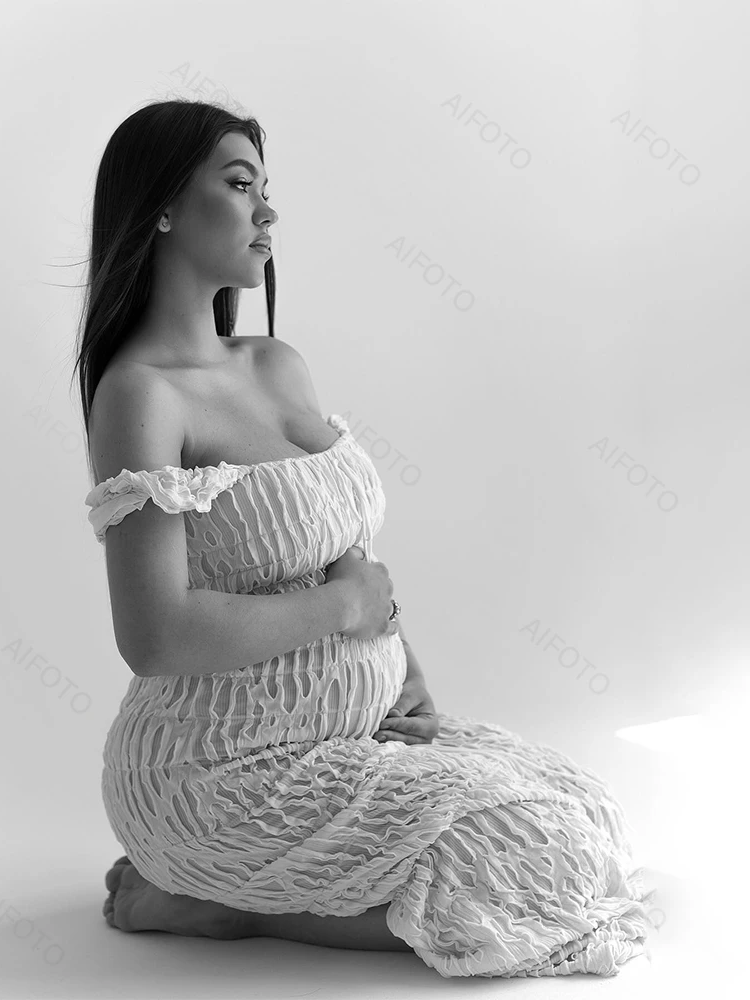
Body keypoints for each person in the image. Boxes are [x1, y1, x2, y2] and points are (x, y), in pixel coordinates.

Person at [73, 99, 655, 977]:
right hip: (217, 774)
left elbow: (338, 546)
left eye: (269, 189)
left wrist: (403, 662)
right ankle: (223, 907)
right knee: (539, 865)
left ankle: (249, 898)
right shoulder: (142, 396)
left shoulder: (277, 364)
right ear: (160, 207)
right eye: (239, 186)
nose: (268, 211)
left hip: (349, 738)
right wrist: (349, 607)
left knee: (587, 822)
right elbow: (156, 637)